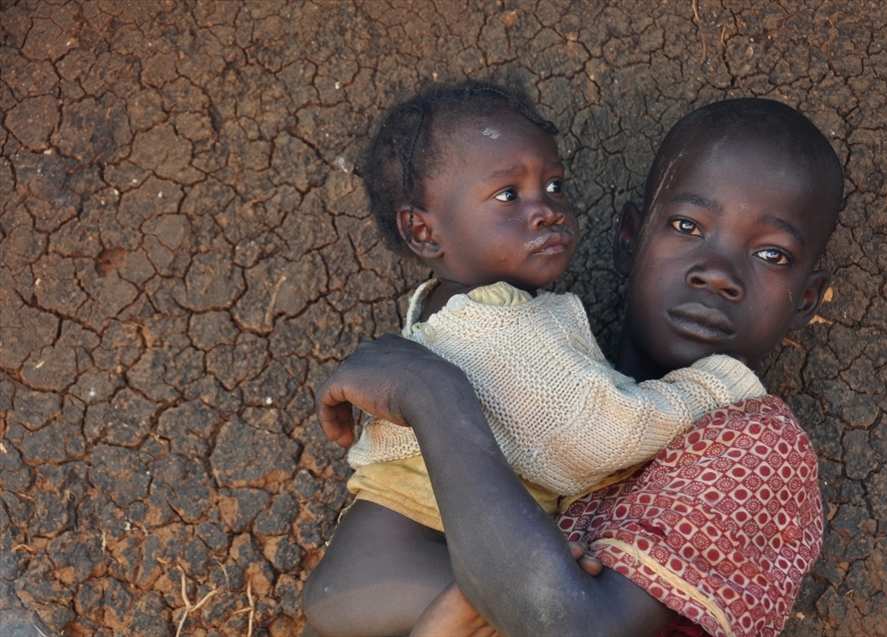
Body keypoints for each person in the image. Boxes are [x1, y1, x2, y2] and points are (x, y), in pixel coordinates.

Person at [313, 97, 843, 636]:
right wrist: (714, 385)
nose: (717, 273)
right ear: (629, 237)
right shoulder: (525, 357)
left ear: (806, 301)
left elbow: (568, 624)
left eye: (772, 254)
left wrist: (428, 391)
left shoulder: (756, 444)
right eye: (687, 225)